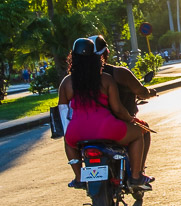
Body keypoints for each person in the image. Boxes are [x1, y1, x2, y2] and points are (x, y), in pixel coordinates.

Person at [57, 37, 150, 190]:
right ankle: (135, 176)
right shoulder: (105, 80)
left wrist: (69, 134)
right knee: (139, 134)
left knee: (68, 142)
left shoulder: (66, 83)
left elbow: (63, 112)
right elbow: (118, 109)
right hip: (107, 128)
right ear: (95, 57)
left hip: (77, 132)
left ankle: (79, 177)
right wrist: (131, 119)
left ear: (72, 58)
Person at [92, 34, 157, 181]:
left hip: (86, 128)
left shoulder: (74, 79)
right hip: (117, 124)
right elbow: (120, 107)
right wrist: (148, 93)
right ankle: (137, 174)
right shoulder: (116, 74)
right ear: (106, 53)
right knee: (143, 130)